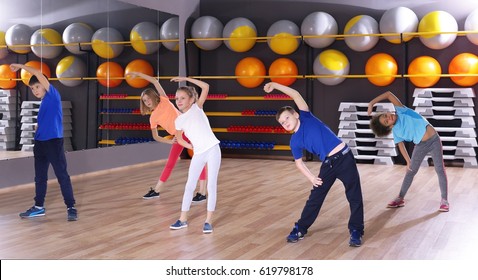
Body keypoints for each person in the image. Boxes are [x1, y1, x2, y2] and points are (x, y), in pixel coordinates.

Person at [264, 82, 364, 247]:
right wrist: (311, 177)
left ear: (295, 114)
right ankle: (300, 228)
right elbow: (299, 163)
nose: (285, 123)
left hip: (345, 158)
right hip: (328, 165)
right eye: (282, 123)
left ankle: (356, 231)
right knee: (315, 198)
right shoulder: (294, 141)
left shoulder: (305, 116)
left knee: (354, 196)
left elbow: (295, 94)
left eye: (287, 118)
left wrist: (274, 85)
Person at [10, 63, 78, 221]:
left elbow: (38, 73)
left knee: (62, 175)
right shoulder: (44, 103)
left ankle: (71, 207)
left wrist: (20, 66)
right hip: (40, 143)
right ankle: (39, 207)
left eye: (37, 87)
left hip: (54, 143)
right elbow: (45, 122)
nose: (35, 91)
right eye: (32, 89)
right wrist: (37, 128)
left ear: (45, 85)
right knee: (40, 177)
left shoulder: (53, 95)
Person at [128, 72, 207, 202]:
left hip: (189, 131)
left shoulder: (164, 99)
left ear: (154, 97)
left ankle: (202, 192)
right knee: (170, 163)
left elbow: (154, 81)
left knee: (199, 160)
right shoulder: (152, 117)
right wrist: (169, 142)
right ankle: (157, 190)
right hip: (178, 136)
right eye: (144, 101)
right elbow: (156, 136)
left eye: (148, 98)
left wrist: (138, 74)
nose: (147, 102)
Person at [367, 91, 449, 212]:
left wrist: (371, 103)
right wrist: (408, 161)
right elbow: (401, 146)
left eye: (385, 115)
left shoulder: (401, 111)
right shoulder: (396, 132)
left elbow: (389, 94)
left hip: (434, 140)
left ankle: (444, 200)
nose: (388, 117)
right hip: (421, 145)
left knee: (439, 169)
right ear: (388, 127)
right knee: (410, 171)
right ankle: (400, 198)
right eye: (386, 121)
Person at [169, 77, 221, 234]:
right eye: (177, 98)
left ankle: (208, 221)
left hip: (213, 149)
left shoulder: (197, 108)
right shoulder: (179, 120)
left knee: (211, 185)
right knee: (189, 185)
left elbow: (205, 86)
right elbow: (178, 138)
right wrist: (190, 146)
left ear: (191, 99)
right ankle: (182, 219)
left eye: (183, 98)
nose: (179, 101)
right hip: (198, 153)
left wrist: (184, 79)